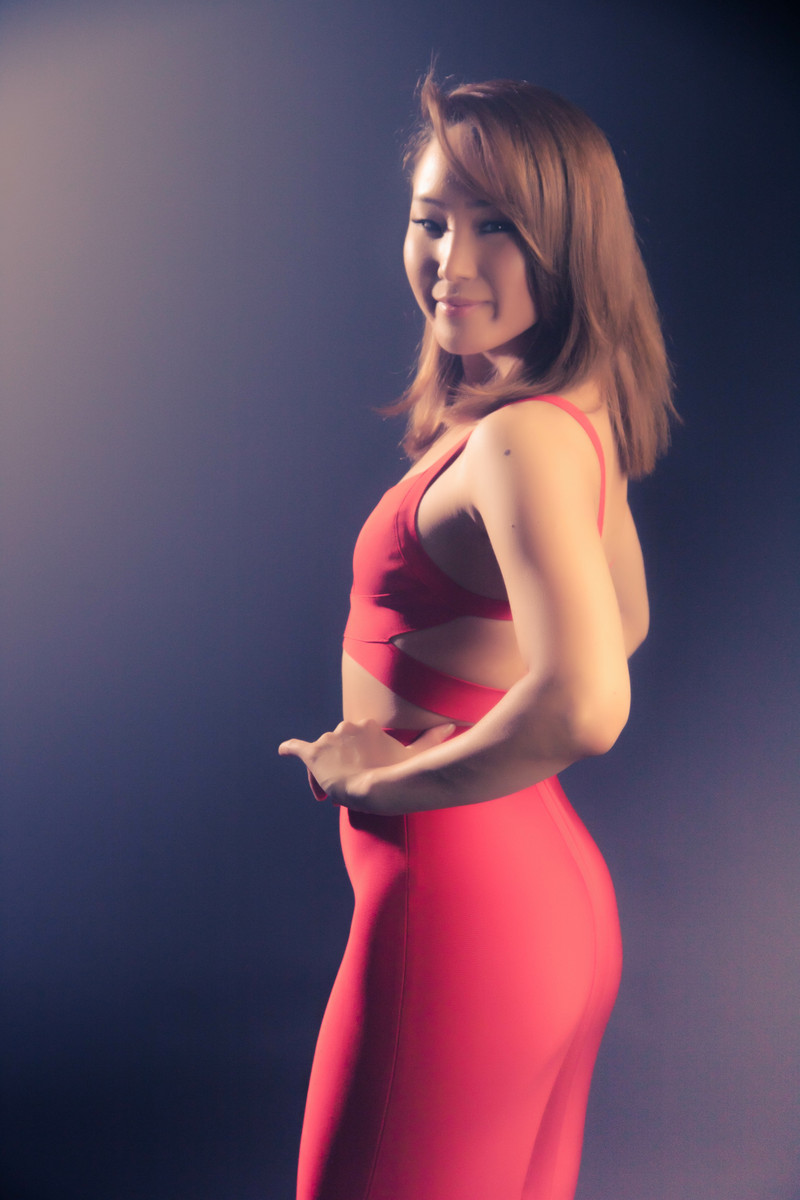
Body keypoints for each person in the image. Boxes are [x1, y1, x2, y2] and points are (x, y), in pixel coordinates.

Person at [279, 72, 674, 1200]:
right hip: (545, 907)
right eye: (431, 220)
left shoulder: (516, 444)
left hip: (461, 919)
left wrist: (378, 783)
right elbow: (624, 619)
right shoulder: (567, 420)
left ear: (568, 243)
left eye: (495, 225)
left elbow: (585, 702)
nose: (450, 261)